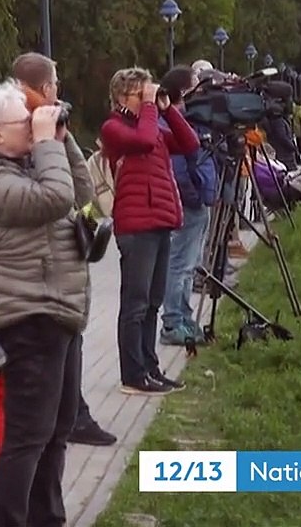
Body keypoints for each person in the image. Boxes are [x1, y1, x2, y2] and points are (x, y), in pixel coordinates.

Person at [0, 79, 90, 527]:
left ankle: (48, 517)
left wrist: (60, 142)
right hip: (26, 313)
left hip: (57, 310)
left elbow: (82, 194)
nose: (33, 128)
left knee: (57, 429)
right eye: (24, 122)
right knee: (28, 435)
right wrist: (46, 143)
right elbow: (54, 199)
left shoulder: (25, 163)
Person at [9, 52, 117, 449]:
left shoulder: (48, 131)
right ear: (45, 88)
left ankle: (74, 418)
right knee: (36, 417)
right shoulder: (14, 134)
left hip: (62, 279)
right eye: (54, 84)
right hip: (39, 283)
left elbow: (84, 192)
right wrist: (46, 134)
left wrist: (62, 132)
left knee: (63, 388)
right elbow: (62, 195)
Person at [99, 67, 200, 396]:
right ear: (122, 96)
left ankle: (150, 367)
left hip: (159, 220)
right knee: (136, 303)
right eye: (140, 94)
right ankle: (132, 374)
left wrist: (167, 109)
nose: (148, 101)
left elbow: (189, 142)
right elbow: (141, 141)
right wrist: (148, 107)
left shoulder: (152, 125)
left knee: (153, 301)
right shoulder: (113, 128)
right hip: (135, 226)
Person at [157, 66, 216, 346]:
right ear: (183, 91)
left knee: (189, 264)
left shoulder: (190, 117)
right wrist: (194, 193)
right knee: (180, 263)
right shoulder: (173, 120)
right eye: (195, 84)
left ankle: (183, 316)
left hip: (197, 197)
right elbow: (179, 165)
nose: (201, 89)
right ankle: (172, 322)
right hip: (189, 199)